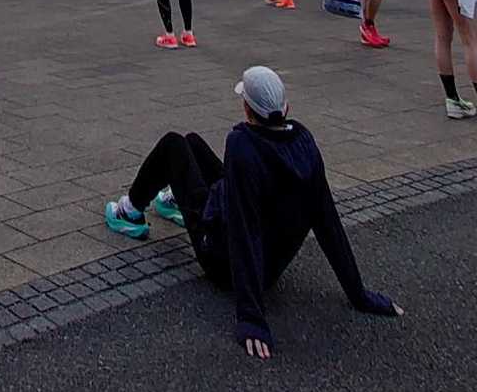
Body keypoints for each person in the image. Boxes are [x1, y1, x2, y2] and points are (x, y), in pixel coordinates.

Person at [103, 65, 402, 359]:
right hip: (270, 263)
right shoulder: (303, 142)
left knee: (173, 144)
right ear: (286, 108)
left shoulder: (242, 144)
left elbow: (243, 227)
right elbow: (327, 220)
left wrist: (251, 316)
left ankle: (129, 211)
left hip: (223, 261)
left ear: (246, 109)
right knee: (192, 141)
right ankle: (173, 201)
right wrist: (357, 293)